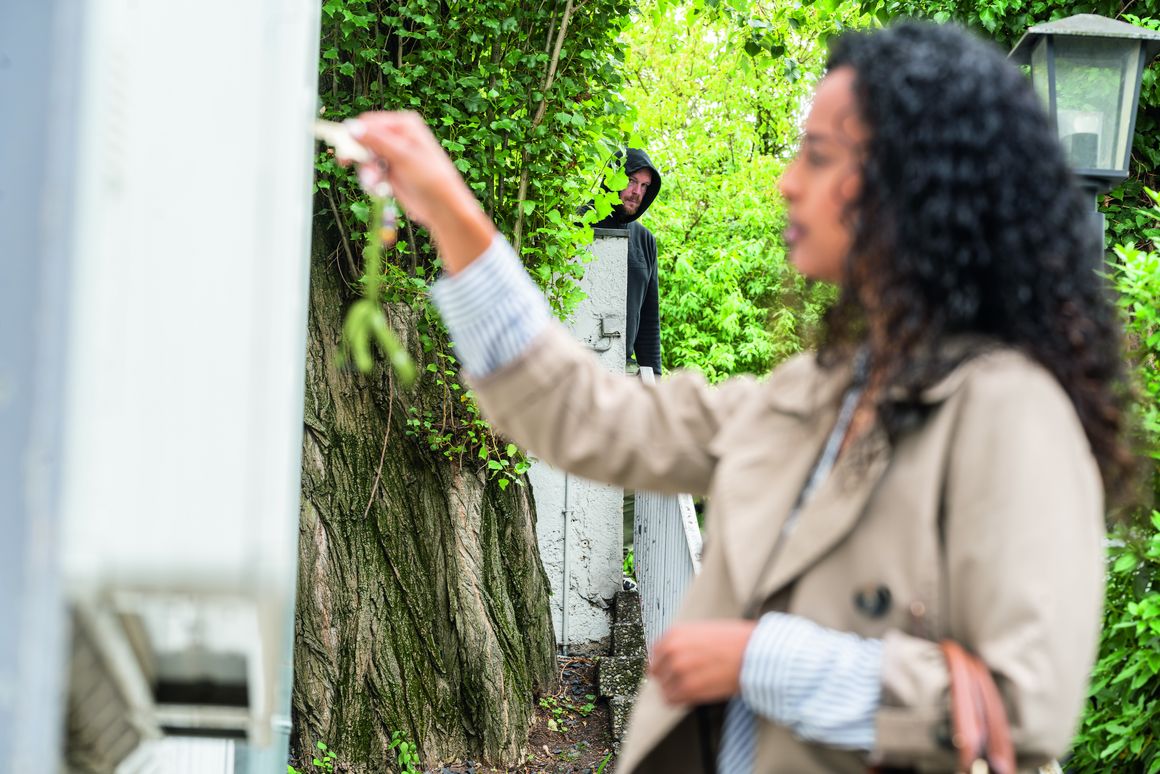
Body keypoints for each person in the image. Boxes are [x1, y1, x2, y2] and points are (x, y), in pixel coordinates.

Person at [342, 20, 1130, 774]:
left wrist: (758, 659)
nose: (788, 183)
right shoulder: (814, 392)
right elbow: (583, 415)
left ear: (912, 187)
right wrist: (450, 211)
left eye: (817, 157)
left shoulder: (1014, 411)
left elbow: (1025, 703)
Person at [591, 149, 664, 376]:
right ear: (613, 177)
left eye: (644, 186)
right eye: (631, 181)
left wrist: (656, 381)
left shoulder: (645, 240)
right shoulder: (578, 225)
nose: (636, 192)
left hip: (621, 369)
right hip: (575, 367)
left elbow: (649, 322)